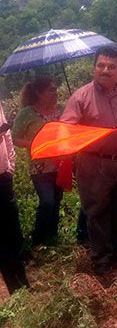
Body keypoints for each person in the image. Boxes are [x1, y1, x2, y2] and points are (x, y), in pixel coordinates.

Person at [61, 47, 117, 275]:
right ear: (94, 67)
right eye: (101, 65)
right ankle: (101, 262)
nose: (105, 70)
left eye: (111, 66)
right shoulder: (80, 97)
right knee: (97, 212)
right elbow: (66, 132)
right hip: (93, 164)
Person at [12, 78, 64, 246]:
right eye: (51, 90)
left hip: (61, 164)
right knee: (47, 201)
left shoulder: (62, 109)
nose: (55, 93)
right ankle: (39, 239)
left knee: (56, 201)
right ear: (39, 93)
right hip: (39, 167)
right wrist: (35, 144)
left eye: (55, 89)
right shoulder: (27, 113)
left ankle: (52, 237)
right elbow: (14, 138)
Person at [0, 100, 30, 293]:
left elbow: (6, 133)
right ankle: (14, 290)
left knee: (14, 235)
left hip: (3, 178)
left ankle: (23, 285)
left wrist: (10, 165)